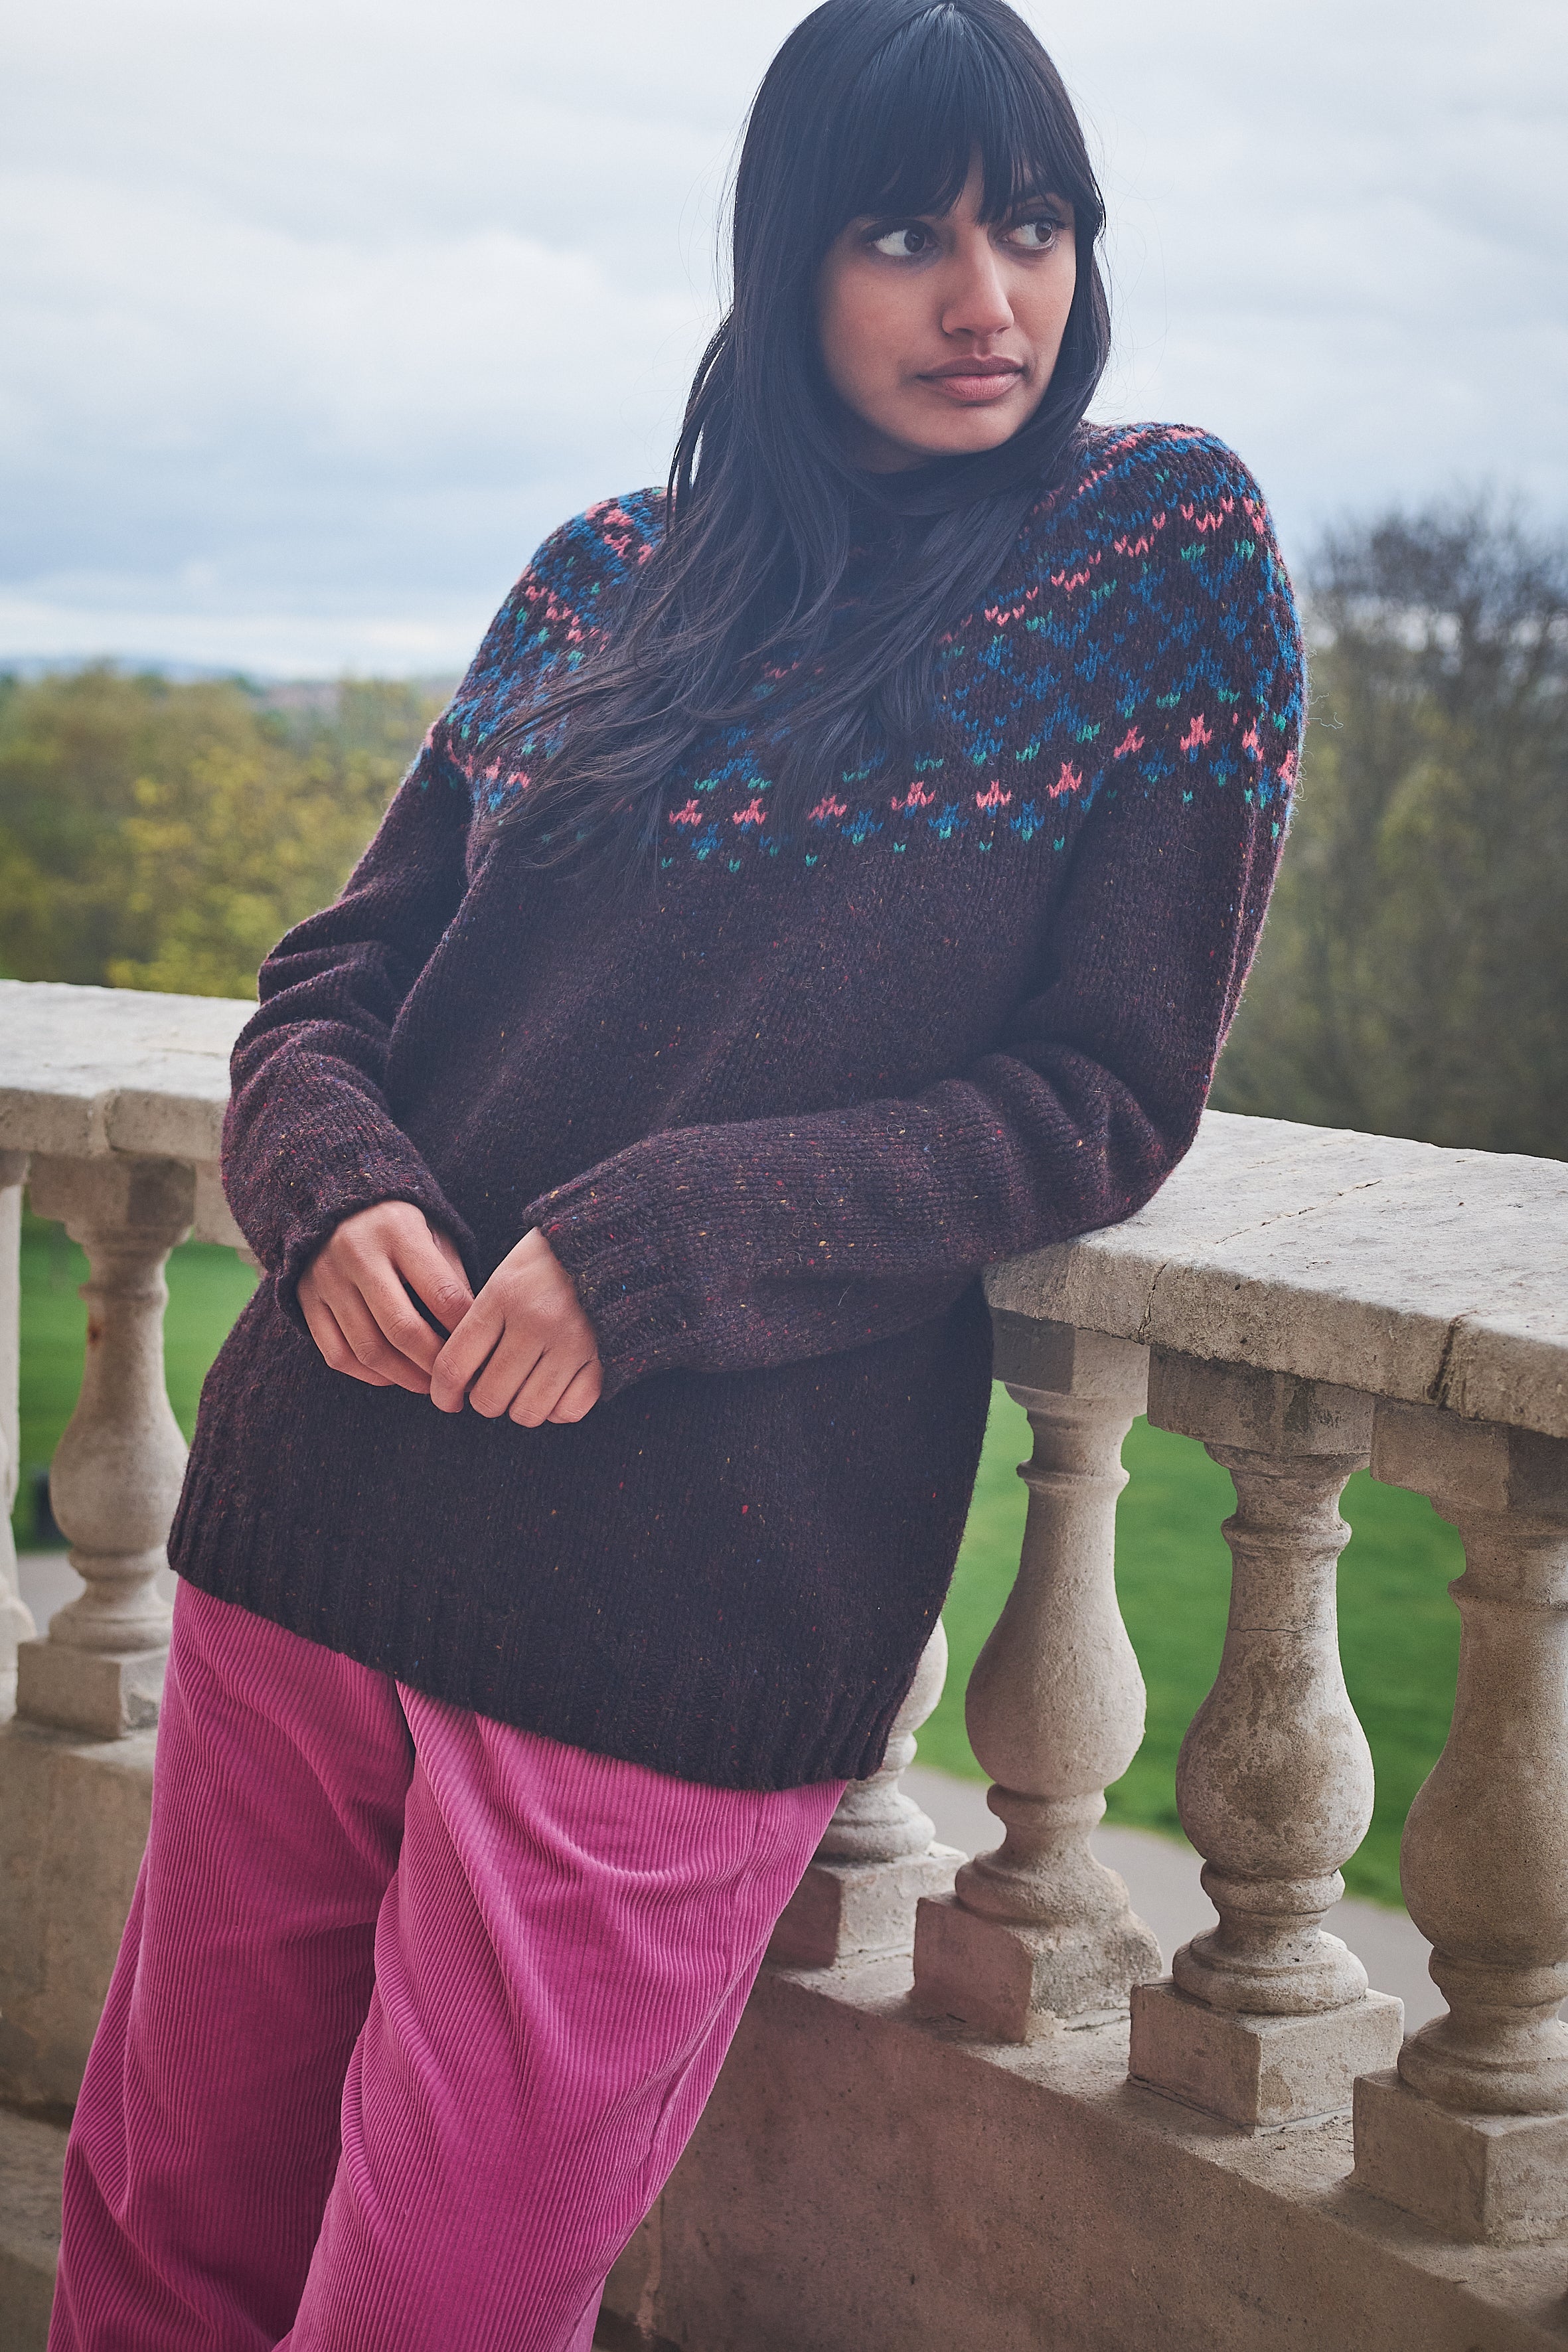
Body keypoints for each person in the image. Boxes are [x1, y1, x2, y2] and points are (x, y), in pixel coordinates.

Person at [50, 1, 1304, 2345]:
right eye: (900, 232)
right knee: (161, 2240)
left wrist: (664, 1243)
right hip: (319, 1505)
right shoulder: (602, 573)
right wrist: (327, 1189)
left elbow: (1100, 1093)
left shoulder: (1158, 551)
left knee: (430, 2304)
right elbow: (339, 971)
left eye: (1028, 226)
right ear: (779, 259)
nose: (985, 298)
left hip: (678, 1586)